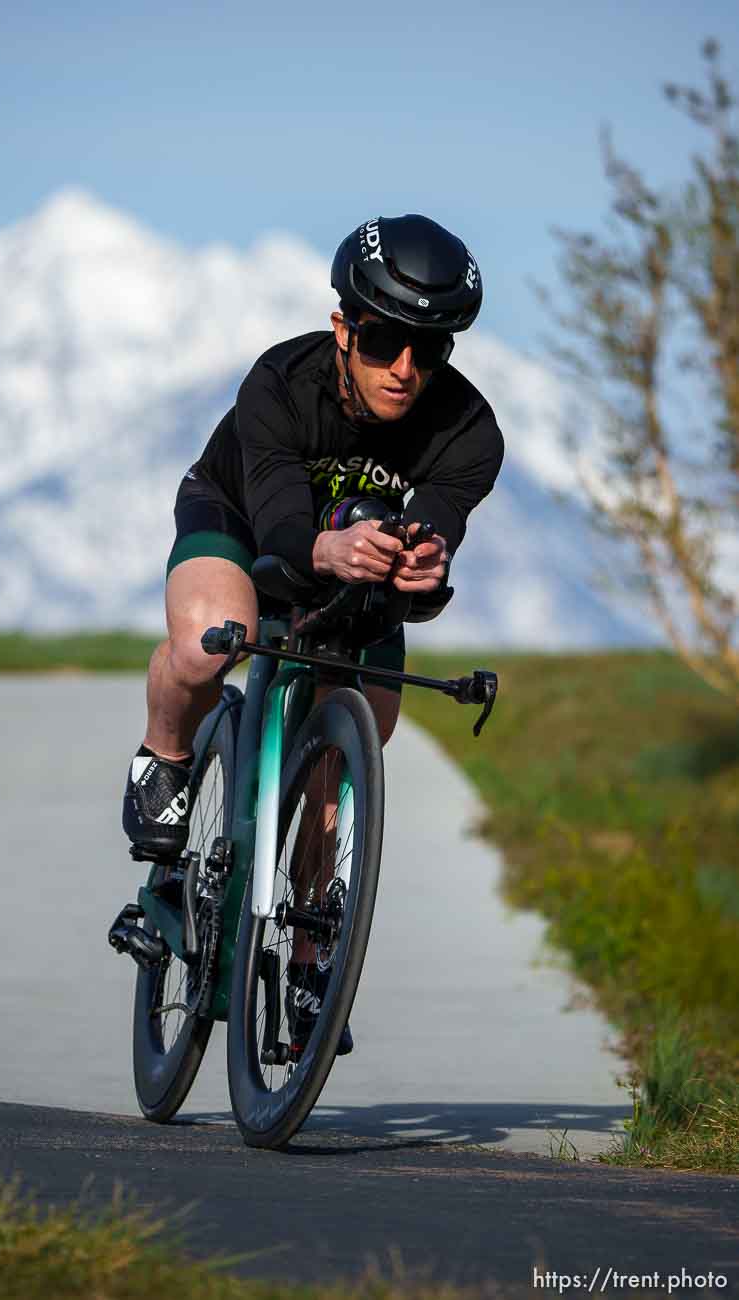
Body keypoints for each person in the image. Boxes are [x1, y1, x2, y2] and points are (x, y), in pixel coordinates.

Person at [123, 213, 504, 1054]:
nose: (404, 371)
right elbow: (280, 518)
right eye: (381, 343)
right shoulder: (278, 382)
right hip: (245, 520)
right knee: (209, 641)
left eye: (429, 350)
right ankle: (166, 758)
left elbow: (438, 527)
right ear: (343, 328)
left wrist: (425, 561)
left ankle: (307, 954)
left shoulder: (470, 431)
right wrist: (325, 547)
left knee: (358, 729)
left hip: (353, 569)